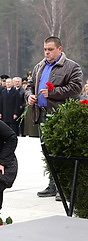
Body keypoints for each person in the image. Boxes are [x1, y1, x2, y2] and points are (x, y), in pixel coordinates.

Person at [25, 36, 82, 200]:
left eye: (50, 49)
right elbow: (29, 86)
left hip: (60, 115)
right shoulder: (39, 66)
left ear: (60, 49)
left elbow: (76, 88)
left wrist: (53, 93)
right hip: (41, 113)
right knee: (47, 150)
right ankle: (52, 185)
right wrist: (29, 96)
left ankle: (63, 188)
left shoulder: (71, 67)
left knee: (61, 151)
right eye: (45, 49)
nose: (47, 52)